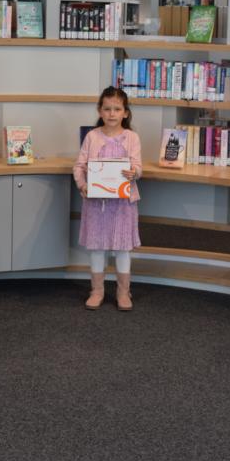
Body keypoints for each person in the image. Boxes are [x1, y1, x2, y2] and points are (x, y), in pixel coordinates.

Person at [74, 86, 142, 311]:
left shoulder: (132, 138)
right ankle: (97, 290)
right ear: (100, 111)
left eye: (117, 109)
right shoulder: (92, 137)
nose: (112, 113)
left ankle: (123, 291)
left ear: (125, 113)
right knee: (97, 247)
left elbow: (138, 166)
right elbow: (79, 166)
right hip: (96, 204)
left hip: (123, 204)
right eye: (107, 109)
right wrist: (82, 185)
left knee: (123, 248)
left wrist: (134, 173)